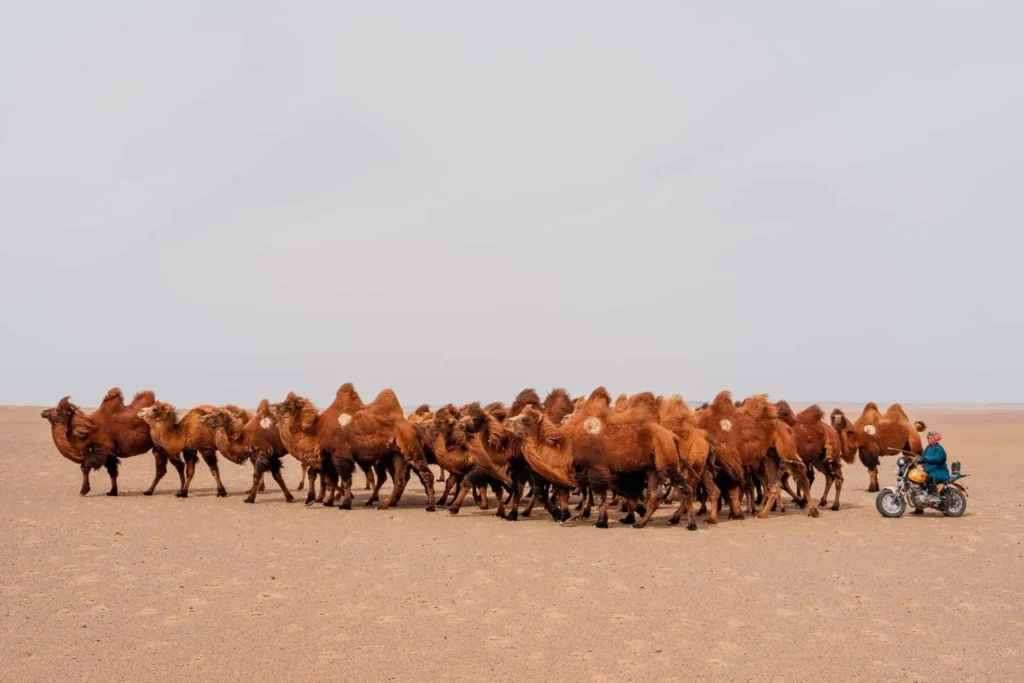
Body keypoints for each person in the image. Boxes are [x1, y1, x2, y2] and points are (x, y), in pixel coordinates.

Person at [914, 431, 950, 513]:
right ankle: (919, 508)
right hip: (930, 470)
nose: (928, 439)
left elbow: (939, 459)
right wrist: (917, 460)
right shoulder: (928, 447)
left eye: (929, 438)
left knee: (929, 478)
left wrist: (927, 459)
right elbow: (923, 458)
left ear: (934, 438)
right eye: (927, 438)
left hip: (939, 471)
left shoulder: (939, 448)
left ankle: (934, 496)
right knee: (918, 484)